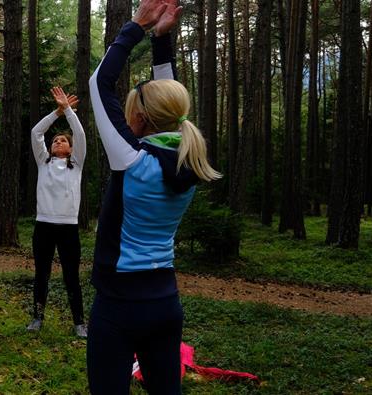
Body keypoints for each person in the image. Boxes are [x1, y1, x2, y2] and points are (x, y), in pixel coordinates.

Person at [86, 0, 221, 393]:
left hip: (118, 306)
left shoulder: (132, 160)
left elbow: (99, 83)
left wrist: (137, 25)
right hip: (165, 303)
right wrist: (162, 42)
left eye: (132, 113)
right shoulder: (188, 158)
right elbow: (169, 102)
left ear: (140, 120)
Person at [26, 87, 88, 338]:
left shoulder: (77, 164)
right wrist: (57, 112)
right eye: (55, 140)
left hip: (68, 228)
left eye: (62, 140)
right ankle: (37, 318)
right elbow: (36, 132)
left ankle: (79, 323)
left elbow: (80, 134)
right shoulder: (43, 162)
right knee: (42, 273)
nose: (57, 142)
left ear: (71, 149)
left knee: (71, 276)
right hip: (44, 226)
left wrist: (69, 112)